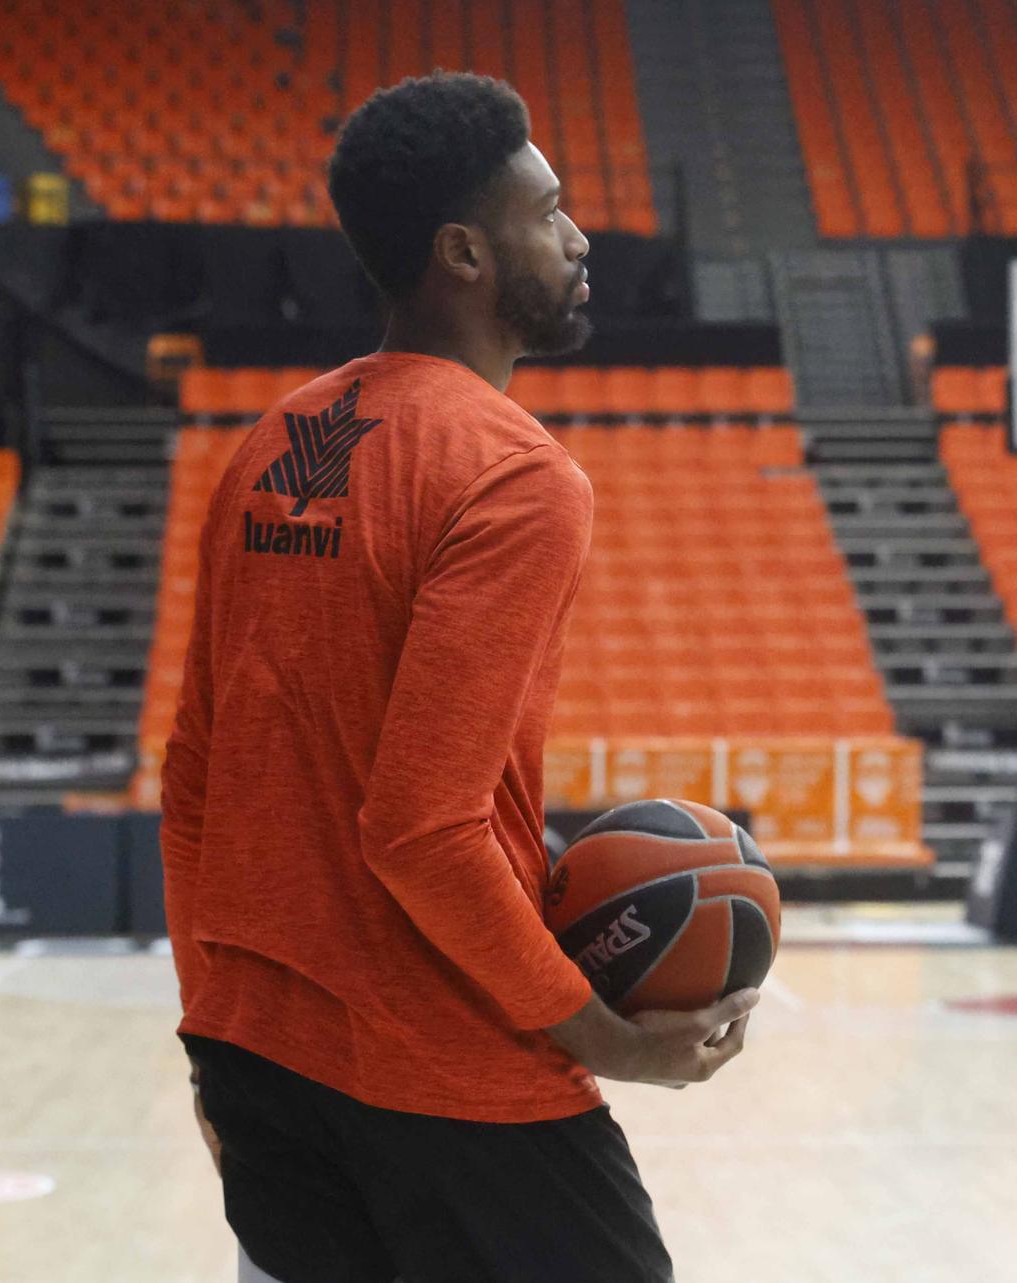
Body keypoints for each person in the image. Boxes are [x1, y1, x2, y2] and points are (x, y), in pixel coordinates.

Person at [160, 71, 756, 1283]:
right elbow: (421, 832)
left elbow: (191, 781)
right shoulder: (516, 475)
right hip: (443, 1072)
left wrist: (210, 1027)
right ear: (464, 253)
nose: (579, 234)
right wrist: (605, 1040)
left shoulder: (272, 442)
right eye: (548, 210)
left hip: (260, 1055)